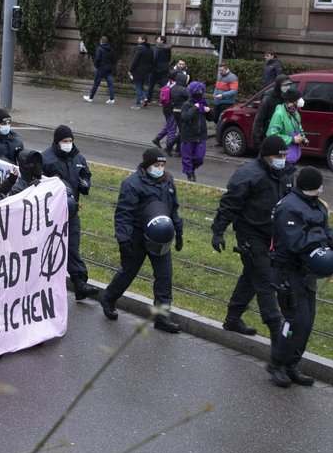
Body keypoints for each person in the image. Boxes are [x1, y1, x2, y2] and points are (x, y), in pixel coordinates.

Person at [211, 134, 293, 339]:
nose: (281, 159)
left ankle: (232, 318)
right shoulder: (248, 175)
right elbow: (229, 204)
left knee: (251, 275)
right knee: (265, 278)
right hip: (250, 234)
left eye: (283, 155)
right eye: (277, 155)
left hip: (272, 235)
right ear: (266, 155)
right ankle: (276, 328)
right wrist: (218, 231)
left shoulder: (286, 173)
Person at [267, 167, 333, 388]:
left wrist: (332, 239)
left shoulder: (316, 205)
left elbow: (326, 230)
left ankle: (292, 364)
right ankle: (277, 363)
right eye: (319, 185)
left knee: (307, 322)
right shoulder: (289, 207)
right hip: (288, 272)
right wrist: (321, 238)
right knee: (295, 320)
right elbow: (295, 241)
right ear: (312, 186)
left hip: (307, 273)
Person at [99, 148, 184, 333]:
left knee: (165, 275)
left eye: (162, 165)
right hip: (137, 236)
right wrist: (123, 240)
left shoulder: (168, 182)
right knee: (128, 271)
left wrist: (179, 232)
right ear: (147, 166)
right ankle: (109, 298)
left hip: (160, 237)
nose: (160, 168)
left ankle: (161, 316)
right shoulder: (132, 184)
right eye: (156, 165)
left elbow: (173, 210)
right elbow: (124, 214)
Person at [42, 126, 100, 301]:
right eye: (64, 141)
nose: (68, 144)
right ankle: (44, 284)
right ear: (57, 142)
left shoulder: (78, 157)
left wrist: (85, 183)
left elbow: (85, 174)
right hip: (51, 213)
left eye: (70, 141)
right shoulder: (46, 159)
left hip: (71, 210)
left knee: (72, 246)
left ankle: (79, 283)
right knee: (49, 248)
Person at [178, 81, 209, 182]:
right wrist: (195, 108)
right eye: (197, 91)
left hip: (201, 136)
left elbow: (211, 117)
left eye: (201, 91)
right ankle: (189, 174)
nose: (199, 93)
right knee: (186, 157)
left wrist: (209, 110)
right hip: (188, 135)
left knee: (199, 157)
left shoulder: (204, 103)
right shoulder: (186, 104)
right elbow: (185, 117)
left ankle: (192, 168)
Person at [267, 87, 308, 164]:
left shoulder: (295, 113)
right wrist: (291, 140)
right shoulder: (279, 114)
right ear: (290, 102)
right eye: (296, 103)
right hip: (282, 157)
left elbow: (299, 128)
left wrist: (302, 137)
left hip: (292, 156)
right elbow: (272, 136)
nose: (297, 108)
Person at [251, 74, 292, 149]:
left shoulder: (287, 97)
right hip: (268, 135)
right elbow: (258, 120)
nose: (287, 87)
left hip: (282, 135)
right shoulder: (267, 99)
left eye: (289, 84)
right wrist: (257, 141)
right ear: (278, 85)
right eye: (285, 85)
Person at [82, 35, 116, 104]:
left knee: (96, 83)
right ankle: (112, 99)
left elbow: (97, 59)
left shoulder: (99, 49)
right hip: (109, 68)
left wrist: (96, 66)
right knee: (110, 84)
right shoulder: (111, 49)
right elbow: (113, 59)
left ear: (101, 41)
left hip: (101, 68)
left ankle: (90, 97)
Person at [128, 35, 153, 109]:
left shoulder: (139, 48)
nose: (138, 40)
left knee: (138, 87)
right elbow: (152, 61)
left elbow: (135, 60)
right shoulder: (150, 50)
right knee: (140, 86)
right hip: (145, 72)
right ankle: (145, 98)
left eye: (139, 39)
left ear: (143, 40)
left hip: (137, 71)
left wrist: (130, 69)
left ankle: (137, 104)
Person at [146, 35, 171, 106]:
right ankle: (163, 101)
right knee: (164, 86)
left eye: (158, 39)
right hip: (165, 69)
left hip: (156, 69)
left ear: (162, 41)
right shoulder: (168, 49)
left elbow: (154, 58)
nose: (157, 40)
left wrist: (151, 67)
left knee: (151, 85)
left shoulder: (157, 48)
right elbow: (169, 58)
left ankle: (148, 100)